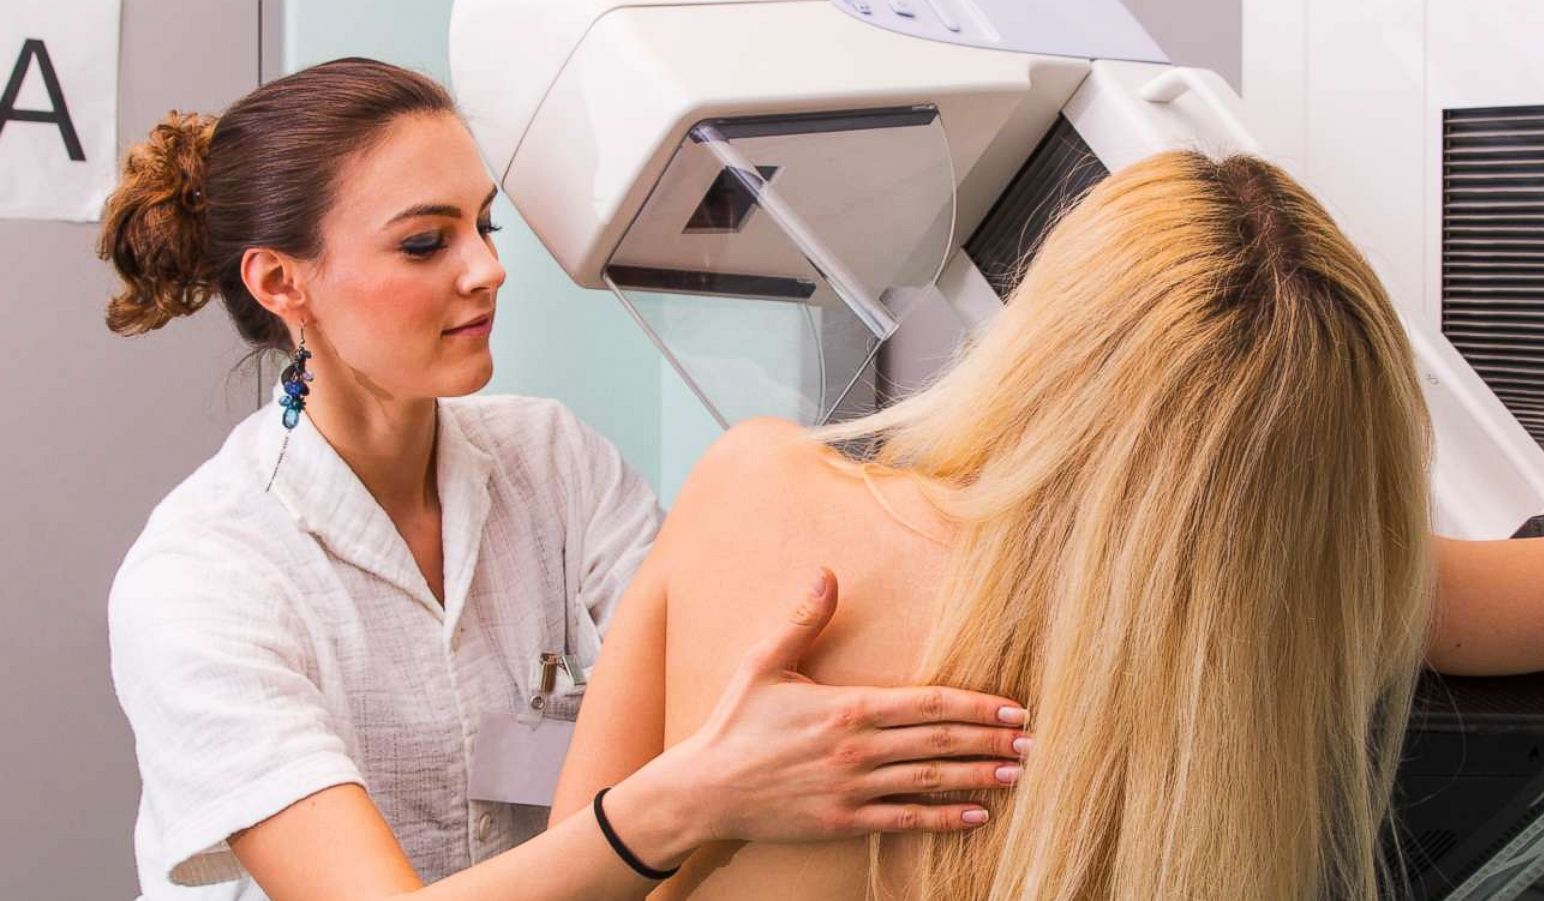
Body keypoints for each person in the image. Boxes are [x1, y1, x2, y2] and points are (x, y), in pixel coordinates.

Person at [102, 58, 1030, 901]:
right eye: (427, 244)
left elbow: (715, 674)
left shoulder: (553, 462)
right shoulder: (201, 579)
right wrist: (691, 799)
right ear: (279, 283)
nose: (490, 269)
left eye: (485, 223)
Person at [550, 150, 1462, 900]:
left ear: (1045, 337)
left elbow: (571, 868)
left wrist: (686, 807)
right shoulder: (1309, 592)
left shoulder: (757, 492)